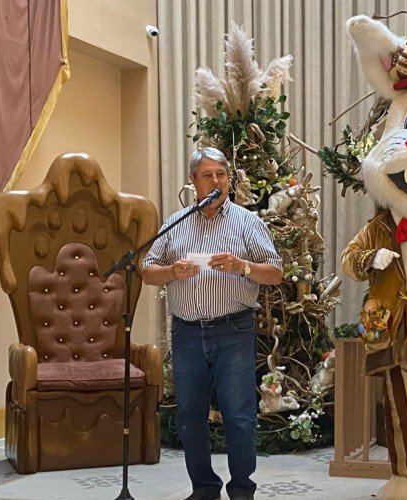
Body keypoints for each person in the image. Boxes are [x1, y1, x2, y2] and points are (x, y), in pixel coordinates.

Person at [142, 147, 283, 500]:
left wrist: (243, 267)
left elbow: (276, 273)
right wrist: (171, 272)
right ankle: (204, 488)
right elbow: (146, 270)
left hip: (233, 331)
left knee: (239, 416)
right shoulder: (176, 223)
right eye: (208, 175)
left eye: (221, 174)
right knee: (190, 417)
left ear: (229, 180)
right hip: (187, 332)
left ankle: (241, 489)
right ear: (194, 182)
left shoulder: (247, 222)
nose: (216, 181)